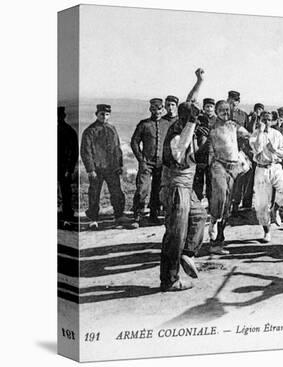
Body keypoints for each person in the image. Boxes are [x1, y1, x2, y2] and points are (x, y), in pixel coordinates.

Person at [159, 100, 208, 292]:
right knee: (175, 235)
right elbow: (184, 157)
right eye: (194, 120)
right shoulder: (178, 136)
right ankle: (169, 280)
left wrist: (199, 81)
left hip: (186, 187)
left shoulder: (182, 126)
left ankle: (187, 253)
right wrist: (204, 141)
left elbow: (189, 105)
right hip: (176, 188)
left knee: (199, 216)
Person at [208, 100, 251, 254]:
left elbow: (248, 136)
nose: (225, 113)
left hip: (234, 167)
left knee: (227, 204)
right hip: (219, 165)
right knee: (219, 197)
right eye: (222, 111)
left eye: (227, 111)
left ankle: (218, 242)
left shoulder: (233, 125)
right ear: (217, 111)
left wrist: (243, 155)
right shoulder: (212, 126)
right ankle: (213, 221)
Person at [80, 104, 130, 230]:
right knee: (94, 194)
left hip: (112, 168)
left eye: (107, 114)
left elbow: (117, 149)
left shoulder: (112, 129)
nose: (104, 116)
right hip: (97, 169)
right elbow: (86, 151)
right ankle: (93, 218)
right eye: (102, 114)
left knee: (117, 192)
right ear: (97, 114)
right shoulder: (90, 131)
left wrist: (120, 165)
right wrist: (90, 169)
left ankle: (119, 215)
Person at [130, 98, 172, 227]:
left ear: (162, 109)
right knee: (142, 188)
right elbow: (134, 142)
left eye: (159, 109)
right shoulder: (144, 124)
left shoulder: (167, 124)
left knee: (157, 190)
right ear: (150, 109)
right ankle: (137, 216)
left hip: (161, 163)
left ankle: (153, 215)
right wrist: (141, 159)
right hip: (146, 163)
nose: (157, 112)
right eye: (154, 109)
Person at [249, 111, 283, 242]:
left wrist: (274, 150)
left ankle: (275, 209)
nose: (266, 122)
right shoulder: (255, 134)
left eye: (269, 120)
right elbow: (257, 149)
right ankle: (266, 231)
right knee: (261, 204)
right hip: (261, 169)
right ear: (260, 120)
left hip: (275, 166)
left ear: (272, 121)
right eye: (264, 120)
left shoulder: (277, 134)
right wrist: (261, 132)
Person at [228, 90, 253, 214]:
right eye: (231, 100)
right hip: (226, 150)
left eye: (236, 100)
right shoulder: (224, 113)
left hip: (239, 150)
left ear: (238, 101)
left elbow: (248, 133)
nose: (233, 102)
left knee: (239, 178)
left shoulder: (243, 115)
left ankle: (235, 205)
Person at [57, 106, 78, 227]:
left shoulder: (69, 131)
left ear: (63, 117)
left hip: (63, 167)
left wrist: (69, 169)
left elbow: (74, 153)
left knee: (66, 192)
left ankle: (67, 217)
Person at [193, 97, 216, 202]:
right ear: (203, 107)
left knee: (211, 182)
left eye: (211, 107)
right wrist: (197, 129)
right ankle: (197, 202)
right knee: (198, 181)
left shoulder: (217, 120)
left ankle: (211, 205)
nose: (209, 109)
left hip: (213, 155)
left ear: (214, 108)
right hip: (200, 154)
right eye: (207, 106)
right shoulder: (199, 119)